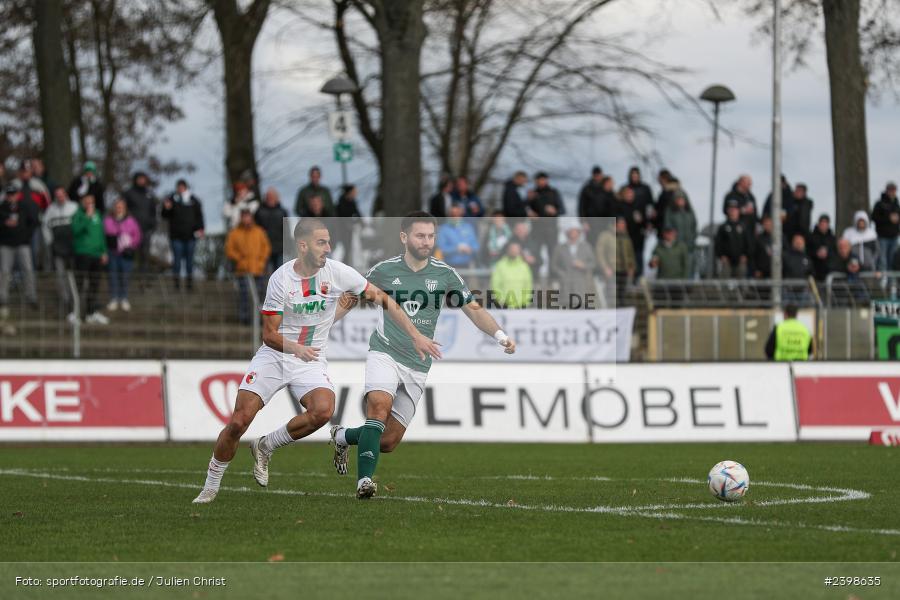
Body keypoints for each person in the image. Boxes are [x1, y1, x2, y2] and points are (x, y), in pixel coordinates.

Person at [192, 218, 441, 503]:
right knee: (239, 421)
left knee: (323, 412)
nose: (328, 248)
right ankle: (211, 485)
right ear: (303, 245)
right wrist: (296, 348)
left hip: (311, 360)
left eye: (328, 242)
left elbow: (385, 300)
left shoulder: (337, 272)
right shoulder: (281, 279)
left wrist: (415, 336)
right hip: (276, 356)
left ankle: (266, 445)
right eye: (321, 243)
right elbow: (269, 335)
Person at [328, 212, 516, 498]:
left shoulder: (445, 274)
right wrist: (324, 324)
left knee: (388, 441)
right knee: (378, 408)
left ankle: (342, 436)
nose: (426, 241)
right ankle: (364, 482)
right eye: (420, 235)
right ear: (404, 237)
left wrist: (501, 336)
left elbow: (474, 310)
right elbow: (352, 298)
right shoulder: (383, 271)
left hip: (418, 364)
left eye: (430, 236)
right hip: (385, 351)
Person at [0, 182, 40, 315]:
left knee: (28, 269)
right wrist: (5, 224)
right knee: (5, 271)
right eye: (9, 194)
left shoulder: (24, 207)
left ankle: (31, 296)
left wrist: (26, 236)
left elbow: (33, 222)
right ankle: (3, 297)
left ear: (18, 195)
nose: (11, 197)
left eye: (13, 194)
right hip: (6, 244)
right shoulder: (2, 208)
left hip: (23, 244)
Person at [226, 209, 272, 324]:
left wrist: (261, 261)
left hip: (258, 270)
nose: (246, 219)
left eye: (248, 216)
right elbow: (229, 249)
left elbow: (266, 248)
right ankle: (244, 319)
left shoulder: (259, 232)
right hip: (242, 270)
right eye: (244, 217)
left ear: (251, 218)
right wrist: (239, 259)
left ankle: (259, 319)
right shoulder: (234, 233)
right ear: (241, 218)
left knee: (260, 296)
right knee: (244, 296)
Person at [71, 195, 109, 325]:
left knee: (95, 285)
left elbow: (101, 234)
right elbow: (75, 230)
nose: (89, 204)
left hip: (97, 254)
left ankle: (91, 313)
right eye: (87, 202)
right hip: (83, 253)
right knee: (80, 283)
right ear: (82, 203)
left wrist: (104, 251)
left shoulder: (98, 214)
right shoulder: (78, 215)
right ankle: (75, 312)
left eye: (91, 202)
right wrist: (87, 217)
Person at [161, 179, 205, 291]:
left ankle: (189, 285)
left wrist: (201, 229)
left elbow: (199, 216)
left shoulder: (194, 200)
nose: (180, 189)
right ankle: (176, 285)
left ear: (186, 187)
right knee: (177, 261)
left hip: (191, 236)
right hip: (176, 236)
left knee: (190, 261)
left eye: (182, 187)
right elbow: (164, 215)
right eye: (178, 187)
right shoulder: (171, 199)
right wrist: (166, 208)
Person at [42, 187, 78, 312]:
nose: (60, 197)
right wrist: (49, 241)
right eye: (57, 195)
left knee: (73, 274)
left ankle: (76, 299)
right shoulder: (50, 209)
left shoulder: (74, 207)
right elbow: (45, 226)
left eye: (62, 195)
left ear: (66, 195)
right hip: (57, 248)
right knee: (60, 274)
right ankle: (66, 300)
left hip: (72, 248)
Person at [103, 198, 142, 312]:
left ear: (125, 208)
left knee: (125, 276)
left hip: (126, 253)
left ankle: (124, 298)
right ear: (114, 208)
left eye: (121, 206)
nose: (119, 208)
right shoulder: (107, 220)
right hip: (112, 253)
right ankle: (114, 298)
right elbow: (103, 235)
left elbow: (137, 235)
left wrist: (131, 244)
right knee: (112, 276)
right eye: (117, 206)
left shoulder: (131, 220)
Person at [550, 220, 596, 308]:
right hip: (565, 286)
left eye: (575, 231)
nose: (573, 233)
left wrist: (583, 265)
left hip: (582, 285)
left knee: (581, 309)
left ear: (579, 233)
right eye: (571, 231)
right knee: (566, 309)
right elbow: (553, 266)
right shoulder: (559, 248)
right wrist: (562, 274)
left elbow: (593, 263)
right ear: (567, 233)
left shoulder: (586, 247)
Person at [595, 217, 635, 306]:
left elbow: (630, 253)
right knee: (611, 295)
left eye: (624, 224)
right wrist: (605, 267)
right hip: (611, 270)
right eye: (621, 224)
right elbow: (599, 253)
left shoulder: (626, 237)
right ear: (615, 224)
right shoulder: (605, 236)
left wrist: (631, 267)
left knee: (624, 296)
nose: (623, 226)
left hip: (624, 270)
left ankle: (622, 316)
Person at [123, 172, 158, 271]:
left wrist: (153, 224)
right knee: (129, 253)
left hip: (146, 229)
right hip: (130, 230)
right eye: (139, 178)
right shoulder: (128, 193)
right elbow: (123, 209)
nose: (141, 181)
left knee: (145, 255)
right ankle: (127, 278)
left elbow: (153, 211)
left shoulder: (149, 195)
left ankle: (143, 280)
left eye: (143, 179)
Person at [614, 186, 647, 281]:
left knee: (637, 263)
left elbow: (644, 222)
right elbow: (617, 221)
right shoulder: (619, 206)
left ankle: (637, 281)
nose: (630, 195)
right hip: (623, 240)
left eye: (631, 194)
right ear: (623, 195)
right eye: (628, 194)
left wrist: (642, 220)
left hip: (637, 241)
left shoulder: (638, 206)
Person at [663, 189, 697, 277]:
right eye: (678, 199)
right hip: (676, 247)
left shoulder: (690, 212)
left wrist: (693, 238)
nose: (680, 201)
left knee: (689, 267)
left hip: (689, 245)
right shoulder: (670, 212)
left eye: (682, 199)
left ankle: (689, 286)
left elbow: (694, 226)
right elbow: (668, 227)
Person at [490, 240, 533, 308]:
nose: (514, 252)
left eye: (516, 250)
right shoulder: (500, 265)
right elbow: (495, 285)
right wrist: (501, 300)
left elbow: (528, 286)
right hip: (503, 306)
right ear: (508, 250)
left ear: (519, 251)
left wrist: (525, 302)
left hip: (521, 307)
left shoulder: (524, 266)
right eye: (512, 249)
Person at [255, 188, 288, 273]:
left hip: (280, 247)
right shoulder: (259, 211)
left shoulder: (283, 212)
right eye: (268, 197)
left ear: (277, 198)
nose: (270, 199)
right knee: (267, 273)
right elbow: (256, 229)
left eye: (272, 197)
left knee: (280, 272)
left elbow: (286, 230)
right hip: (264, 247)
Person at [715, 200, 752, 278]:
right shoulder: (723, 227)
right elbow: (718, 243)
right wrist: (721, 256)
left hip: (740, 260)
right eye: (731, 209)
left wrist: (745, 255)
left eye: (735, 209)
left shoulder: (743, 227)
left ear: (738, 211)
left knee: (741, 281)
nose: (733, 212)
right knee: (724, 280)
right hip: (727, 261)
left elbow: (748, 243)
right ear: (728, 211)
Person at [436, 203, 479, 268]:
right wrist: (456, 249)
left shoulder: (468, 227)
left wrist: (470, 249)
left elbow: (476, 245)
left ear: (461, 214)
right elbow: (441, 249)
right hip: (449, 266)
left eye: (458, 213)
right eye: (453, 214)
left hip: (467, 265)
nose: (456, 216)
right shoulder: (444, 229)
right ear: (449, 215)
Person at [871, 182, 899, 271]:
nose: (892, 192)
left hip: (894, 237)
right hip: (882, 237)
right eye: (890, 190)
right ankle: (882, 282)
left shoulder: (896, 204)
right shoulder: (879, 204)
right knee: (882, 260)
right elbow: (874, 217)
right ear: (886, 190)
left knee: (893, 260)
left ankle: (891, 283)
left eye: (894, 190)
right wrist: (888, 218)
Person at [578, 166, 608, 246]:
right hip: (590, 222)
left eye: (599, 175)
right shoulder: (587, 189)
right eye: (596, 175)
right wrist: (583, 221)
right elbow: (581, 206)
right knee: (591, 245)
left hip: (604, 222)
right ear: (593, 175)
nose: (598, 177)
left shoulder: (606, 187)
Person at [335, 184, 362, 267]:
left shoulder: (352, 202)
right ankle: (342, 265)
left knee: (349, 249)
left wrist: (360, 222)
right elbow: (341, 217)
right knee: (344, 249)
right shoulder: (341, 203)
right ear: (349, 192)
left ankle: (346, 265)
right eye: (354, 192)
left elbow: (357, 214)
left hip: (349, 229)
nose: (356, 193)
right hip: (341, 229)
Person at [808, 214, 837, 281]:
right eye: (822, 222)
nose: (823, 225)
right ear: (818, 223)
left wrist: (827, 253)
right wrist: (816, 253)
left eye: (825, 222)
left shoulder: (832, 238)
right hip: (815, 269)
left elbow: (835, 252)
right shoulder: (811, 237)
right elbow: (807, 251)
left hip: (828, 269)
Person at [753, 214, 775, 279]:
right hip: (762, 273)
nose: (768, 225)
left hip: (777, 271)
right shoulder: (758, 239)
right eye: (766, 223)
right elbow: (754, 255)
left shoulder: (780, 238)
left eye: (769, 222)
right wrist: (756, 269)